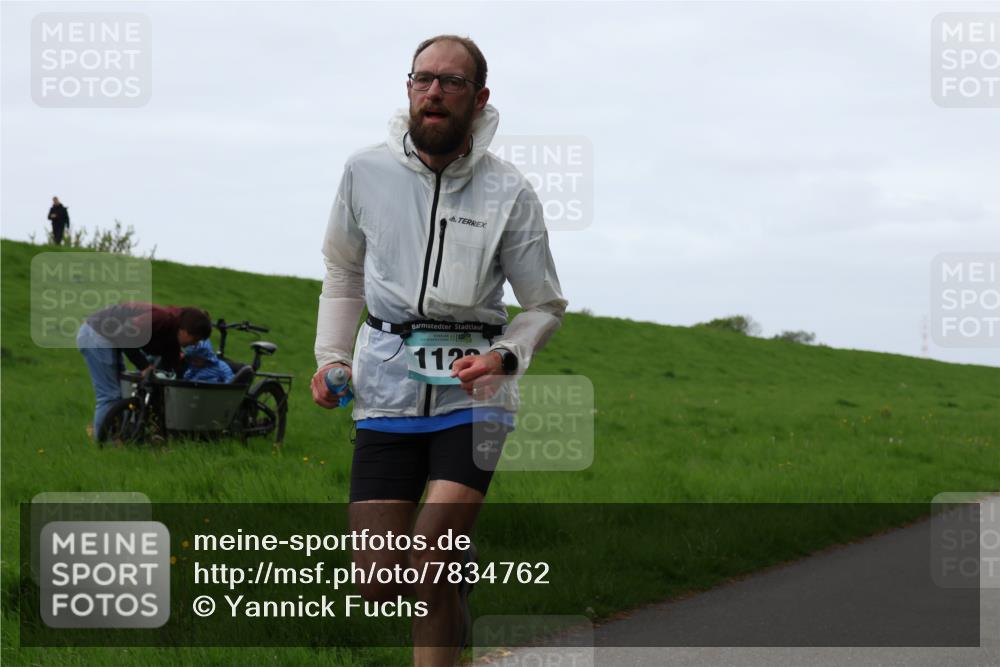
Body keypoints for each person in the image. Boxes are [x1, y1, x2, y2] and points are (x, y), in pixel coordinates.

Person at [312, 35, 567, 665]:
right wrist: (331, 359)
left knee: (430, 557)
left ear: (478, 100)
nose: (433, 91)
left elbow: (543, 304)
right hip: (385, 387)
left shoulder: (510, 191)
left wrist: (504, 357)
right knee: (377, 580)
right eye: (422, 78)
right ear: (408, 88)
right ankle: (455, 602)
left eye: (451, 82)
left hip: (473, 391)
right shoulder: (363, 172)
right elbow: (342, 273)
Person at [77, 302, 212, 439]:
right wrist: (144, 366)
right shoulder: (161, 319)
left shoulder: (173, 333)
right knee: (110, 396)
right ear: (184, 330)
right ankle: (103, 444)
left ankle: (118, 438)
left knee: (121, 392)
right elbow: (126, 336)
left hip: (109, 338)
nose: (194, 344)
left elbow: (171, 365)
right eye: (195, 339)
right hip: (96, 334)